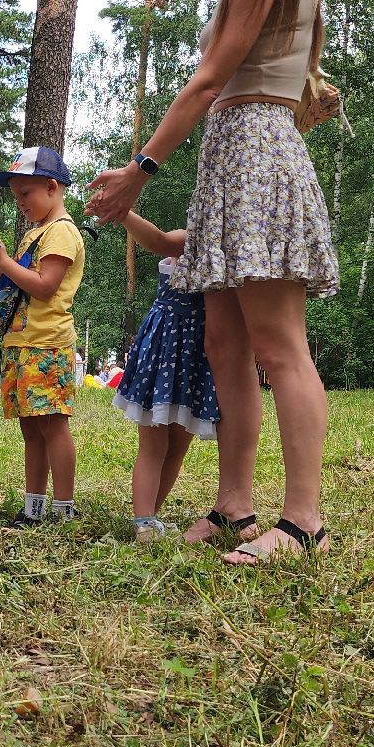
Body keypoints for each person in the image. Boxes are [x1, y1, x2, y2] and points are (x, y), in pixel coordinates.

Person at [87, 0, 338, 565]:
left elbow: (205, 82)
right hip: (235, 156)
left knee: (277, 346)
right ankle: (234, 508)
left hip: (255, 154)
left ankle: (303, 524)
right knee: (224, 344)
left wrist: (140, 169)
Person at [0, 146, 86, 527]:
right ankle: (34, 508)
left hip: (47, 344)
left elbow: (45, 287)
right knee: (30, 428)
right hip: (20, 342)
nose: (19, 203)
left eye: (25, 194)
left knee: (52, 424)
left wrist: (3, 261)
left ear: (51, 187)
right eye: (15, 195)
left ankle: (63, 509)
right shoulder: (35, 234)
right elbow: (12, 289)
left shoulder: (62, 232)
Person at [112, 211, 221, 543]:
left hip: (180, 353)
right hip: (180, 353)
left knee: (168, 445)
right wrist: (123, 211)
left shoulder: (218, 248)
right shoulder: (194, 239)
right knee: (162, 445)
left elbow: (156, 238)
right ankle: (145, 520)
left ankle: (148, 520)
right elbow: (156, 238)